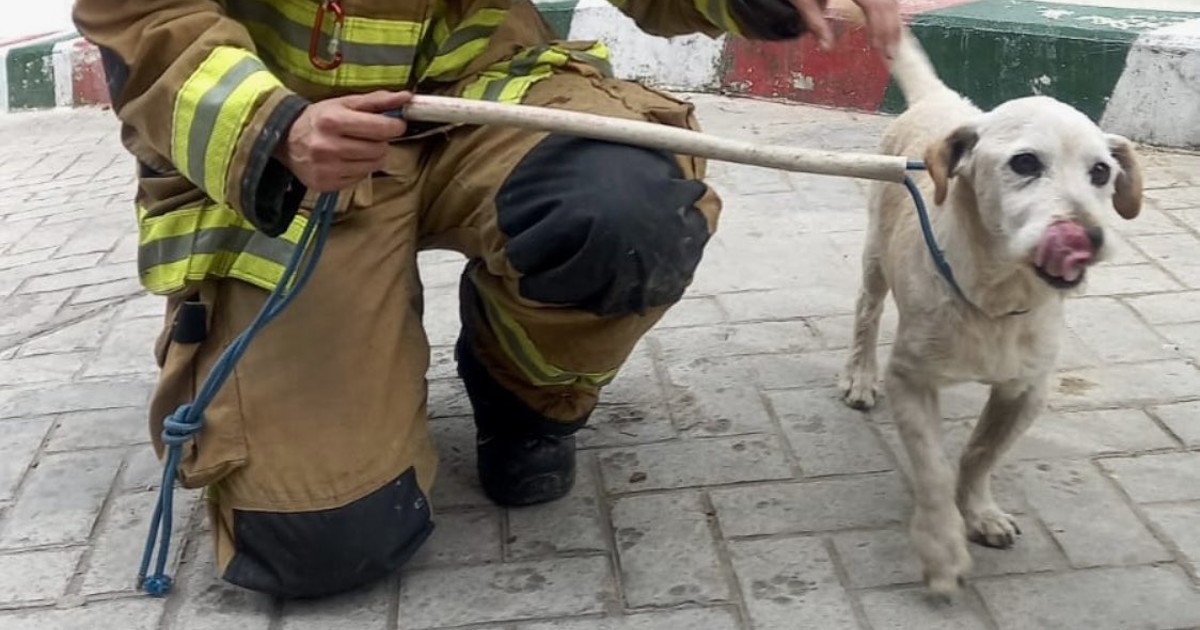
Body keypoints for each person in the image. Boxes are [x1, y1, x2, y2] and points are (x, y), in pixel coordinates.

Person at [73, 0, 900, 600]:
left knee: (624, 213)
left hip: (487, 97)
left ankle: (522, 398)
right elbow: (140, 16)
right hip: (303, 142)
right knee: (319, 543)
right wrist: (271, 127)